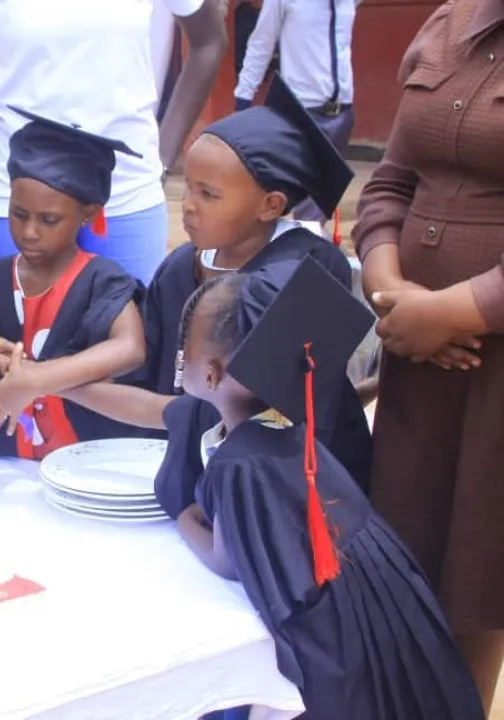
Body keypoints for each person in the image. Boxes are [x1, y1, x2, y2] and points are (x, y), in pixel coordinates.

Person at [174, 258, 483, 719]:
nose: (180, 360)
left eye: (185, 354)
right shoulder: (294, 432)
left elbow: (227, 561)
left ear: (211, 375)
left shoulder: (239, 464)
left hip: (339, 643)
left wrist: (186, 520)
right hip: (384, 610)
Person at [352, 0, 504, 710]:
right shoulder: (448, 24)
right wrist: (391, 291)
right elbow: (390, 182)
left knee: (481, 577)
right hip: (417, 358)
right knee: (405, 556)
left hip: (487, 365)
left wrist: (453, 312)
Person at [141, 77, 371, 507]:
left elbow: (293, 411)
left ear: (271, 205)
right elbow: (155, 366)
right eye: (188, 186)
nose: (187, 204)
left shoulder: (312, 267)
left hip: (287, 487)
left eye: (208, 194)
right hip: (189, 466)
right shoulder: (179, 268)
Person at [0, 0, 226, 283]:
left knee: (129, 310)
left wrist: (163, 159)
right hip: (19, 198)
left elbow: (209, 41)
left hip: (126, 196)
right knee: (12, 313)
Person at [0, 111, 148, 458]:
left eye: (49, 220)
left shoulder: (101, 280)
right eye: (19, 214)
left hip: (84, 460)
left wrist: (36, 378)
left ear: (88, 213)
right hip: (3, 460)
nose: (30, 232)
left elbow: (130, 348)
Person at [234, 0, 355, 226]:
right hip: (301, 112)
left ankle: (308, 242)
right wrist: (243, 99)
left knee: (320, 207)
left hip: (342, 113)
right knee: (292, 199)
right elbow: (261, 44)